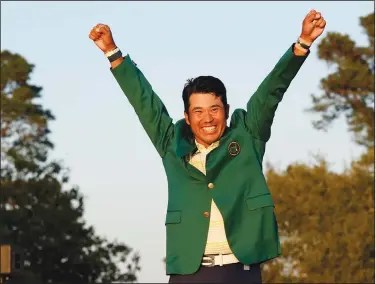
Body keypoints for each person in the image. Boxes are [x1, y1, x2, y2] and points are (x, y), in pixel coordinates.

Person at [89, 9, 326, 283]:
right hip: (190, 272)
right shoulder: (171, 144)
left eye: (214, 109)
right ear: (187, 118)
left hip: (241, 270)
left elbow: (272, 91)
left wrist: (302, 44)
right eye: (198, 112)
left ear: (225, 110)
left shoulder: (248, 136)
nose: (208, 119)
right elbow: (145, 102)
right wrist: (113, 53)